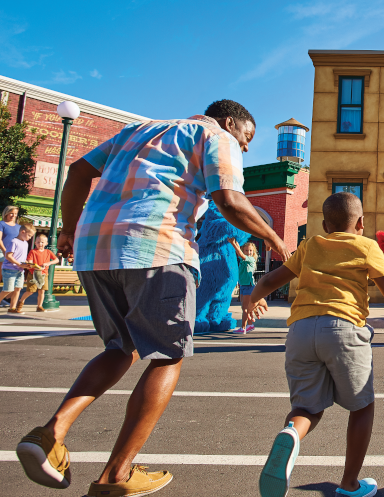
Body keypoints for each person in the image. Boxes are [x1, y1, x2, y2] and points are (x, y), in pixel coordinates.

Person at [16, 100, 290, 497]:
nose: (245, 148)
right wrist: (274, 239)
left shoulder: (137, 129)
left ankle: (49, 435)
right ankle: (116, 475)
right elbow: (229, 199)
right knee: (167, 356)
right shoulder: (216, 136)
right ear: (231, 123)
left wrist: (68, 229)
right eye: (246, 139)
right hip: (157, 247)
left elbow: (77, 171)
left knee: (121, 348)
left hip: (96, 251)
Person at [245, 192, 384, 497]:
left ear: (324, 224)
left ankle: (291, 433)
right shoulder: (366, 246)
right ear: (361, 223)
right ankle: (349, 483)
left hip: (301, 331)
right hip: (343, 328)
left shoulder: (310, 245)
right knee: (362, 405)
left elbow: (269, 281)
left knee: (306, 408)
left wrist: (253, 300)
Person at [17, 233, 59, 312]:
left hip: (44, 275)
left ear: (46, 243)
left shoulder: (48, 252)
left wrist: (48, 263)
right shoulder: (32, 251)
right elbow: (30, 261)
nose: (40, 244)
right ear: (35, 243)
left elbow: (56, 260)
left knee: (42, 291)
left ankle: (39, 306)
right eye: (38, 242)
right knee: (30, 291)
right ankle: (21, 301)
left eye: (42, 242)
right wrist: (34, 266)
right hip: (33, 274)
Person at [1, 223, 34, 314]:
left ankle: (12, 308)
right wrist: (19, 264)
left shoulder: (26, 243)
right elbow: (8, 256)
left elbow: (22, 257)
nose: (30, 238)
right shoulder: (14, 242)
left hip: (20, 270)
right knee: (8, 289)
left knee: (18, 289)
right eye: (29, 235)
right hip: (9, 269)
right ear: (22, 232)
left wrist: (26, 263)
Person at [229, 238, 259, 333]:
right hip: (243, 286)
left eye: (250, 250)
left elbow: (240, 254)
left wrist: (233, 244)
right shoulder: (243, 260)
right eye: (246, 250)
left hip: (249, 286)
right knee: (246, 306)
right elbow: (240, 254)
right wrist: (236, 242)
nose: (248, 252)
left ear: (253, 252)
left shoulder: (250, 259)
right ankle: (250, 325)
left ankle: (243, 328)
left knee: (245, 308)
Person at [0, 205, 22, 308]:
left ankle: (8, 299)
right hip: (3, 253)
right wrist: (5, 251)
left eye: (15, 214)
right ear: (6, 213)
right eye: (11, 213)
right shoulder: (2, 224)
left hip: (15, 255)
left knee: (14, 279)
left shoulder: (18, 227)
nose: (13, 215)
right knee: (2, 276)